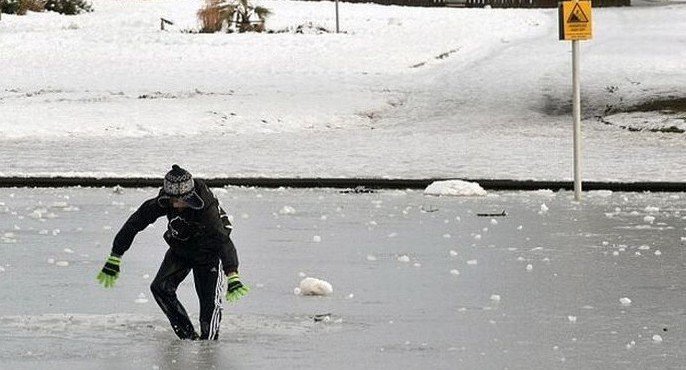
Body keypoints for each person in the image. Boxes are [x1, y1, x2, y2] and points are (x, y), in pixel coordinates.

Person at [96, 164, 249, 340]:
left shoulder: (206, 208)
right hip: (181, 248)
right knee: (160, 288)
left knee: (208, 307)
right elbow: (135, 223)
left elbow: (222, 240)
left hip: (209, 252)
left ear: (190, 197)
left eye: (182, 200)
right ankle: (188, 336)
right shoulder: (164, 201)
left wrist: (232, 273)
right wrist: (116, 255)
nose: (177, 205)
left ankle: (208, 345)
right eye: (173, 201)